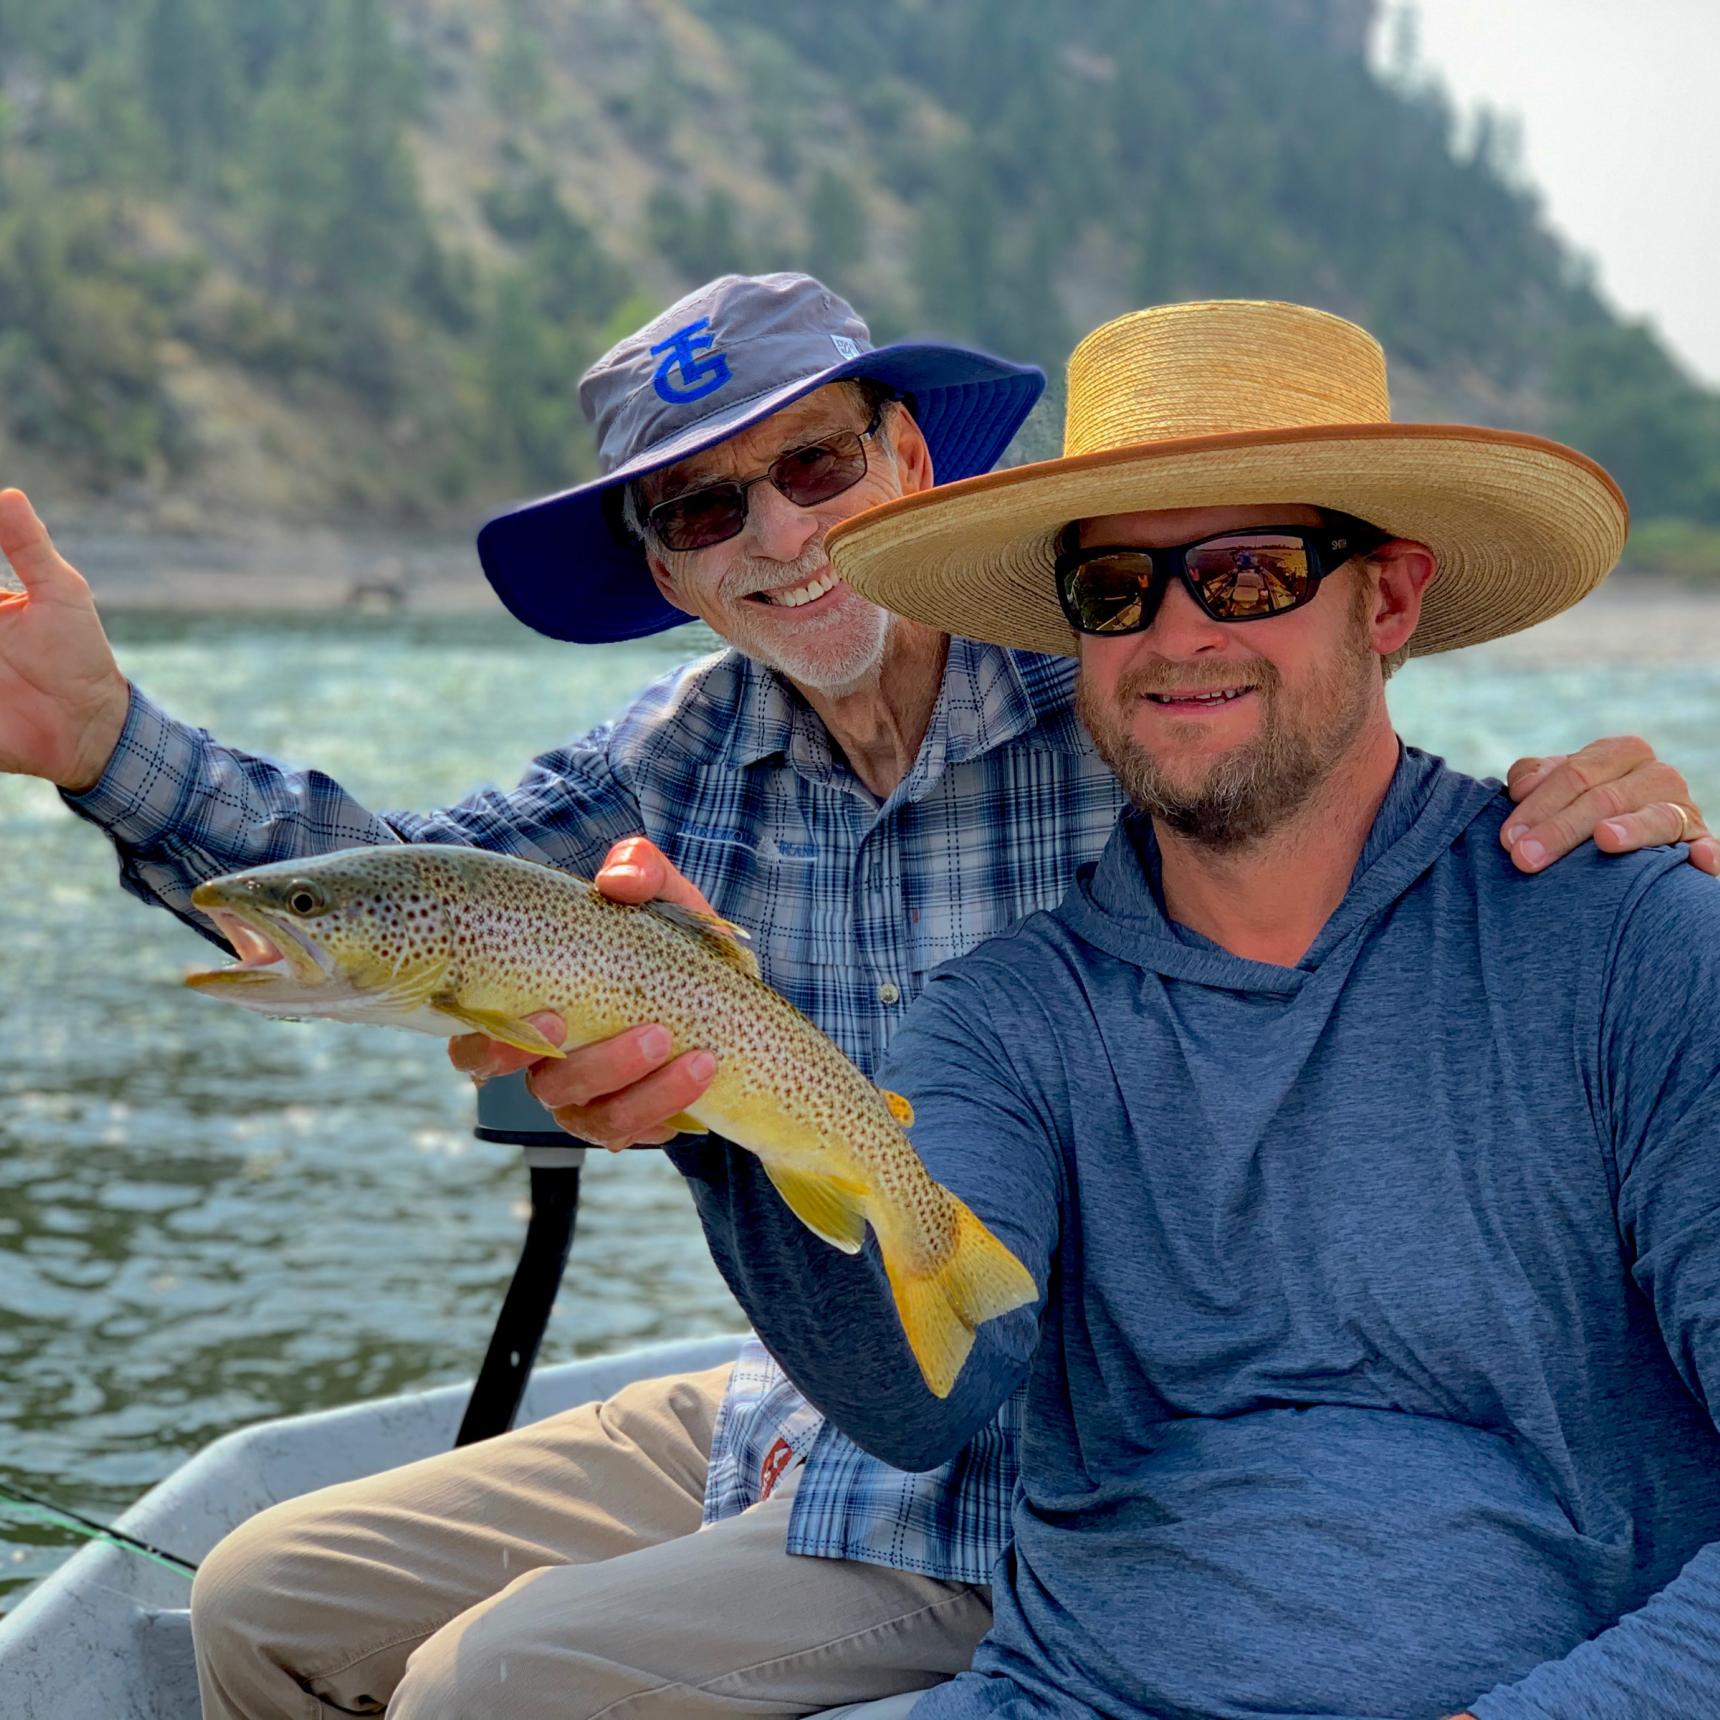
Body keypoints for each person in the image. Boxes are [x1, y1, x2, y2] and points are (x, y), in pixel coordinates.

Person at [0, 275, 1708, 1720]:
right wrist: (104, 747)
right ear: (665, 571)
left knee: (484, 1683)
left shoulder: (1129, 690)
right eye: (702, 508)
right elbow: (395, 894)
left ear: (908, 465)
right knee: (258, 1600)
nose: (778, 534)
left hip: (1051, 1434)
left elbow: (1330, 792)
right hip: (813, 1380)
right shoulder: (677, 763)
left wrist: (1612, 821)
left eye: (813, 463)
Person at [669, 298, 1720, 1720]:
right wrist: (710, 1096)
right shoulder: (1005, 1022)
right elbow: (919, 1400)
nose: (1174, 636)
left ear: (1390, 598)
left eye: (1244, 574)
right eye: (1116, 591)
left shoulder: (1633, 939)